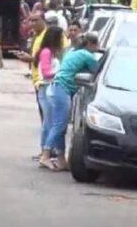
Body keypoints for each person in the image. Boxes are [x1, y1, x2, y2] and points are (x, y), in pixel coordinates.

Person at [44, 33, 100, 171]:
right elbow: (97, 71)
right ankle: (45, 155)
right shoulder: (87, 56)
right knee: (59, 126)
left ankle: (61, 159)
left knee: (59, 126)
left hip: (54, 88)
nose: (98, 48)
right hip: (62, 90)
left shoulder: (72, 51)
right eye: (97, 45)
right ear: (91, 44)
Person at [34, 26, 66, 171]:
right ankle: (45, 153)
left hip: (50, 86)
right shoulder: (46, 52)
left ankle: (54, 154)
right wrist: (60, 73)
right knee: (50, 122)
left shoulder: (53, 53)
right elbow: (46, 73)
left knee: (52, 122)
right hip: (46, 86)